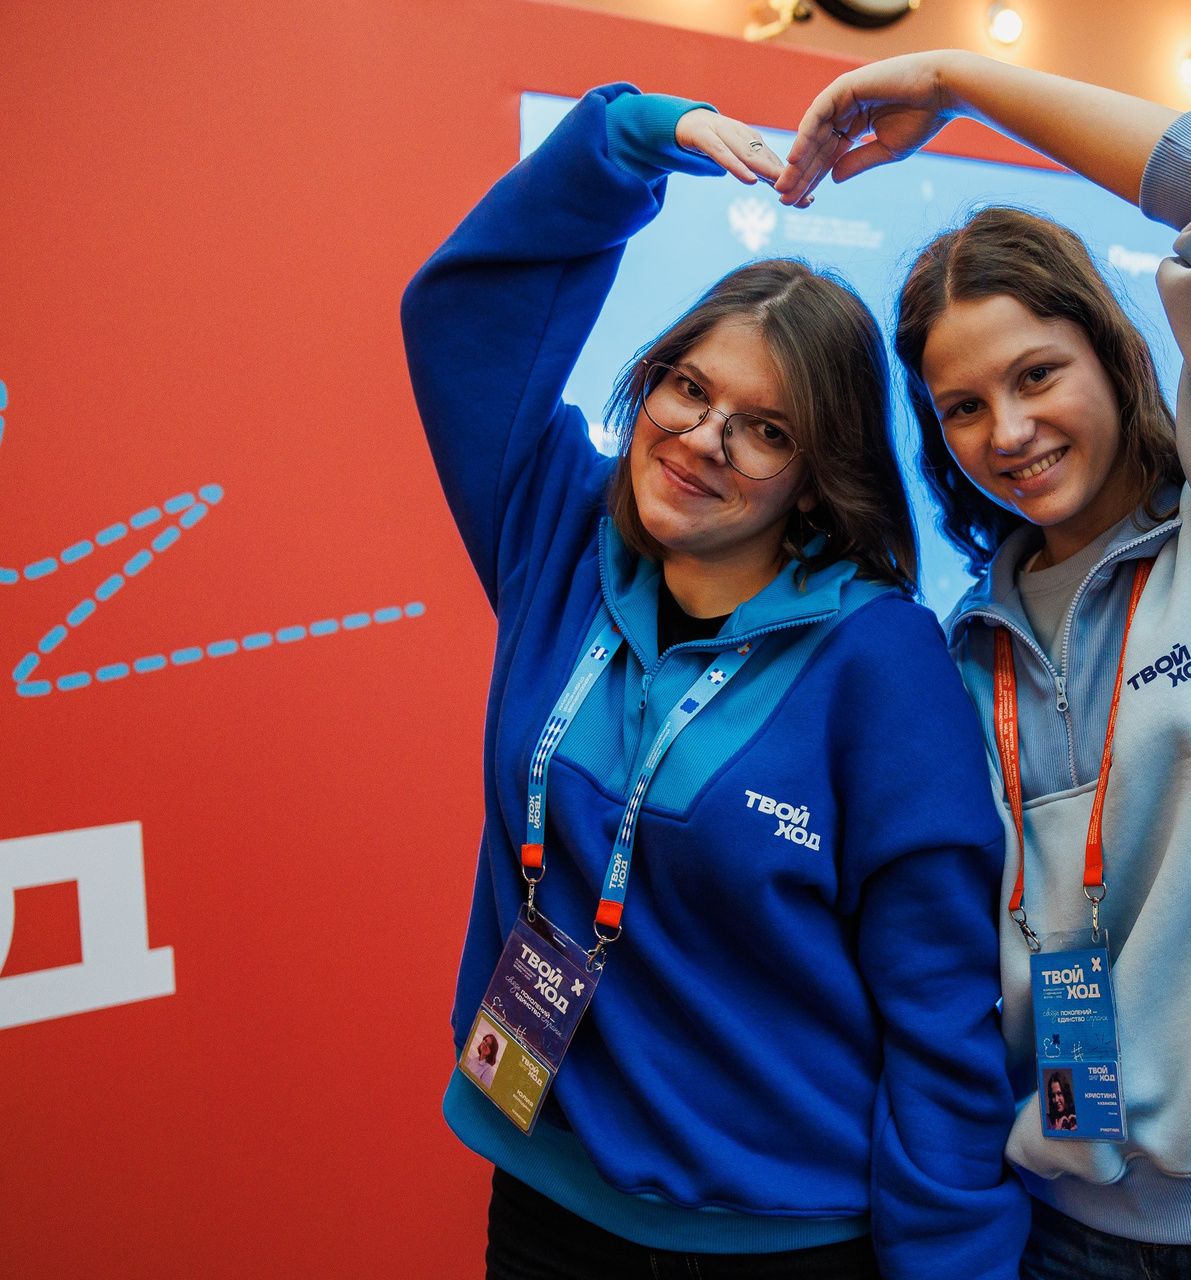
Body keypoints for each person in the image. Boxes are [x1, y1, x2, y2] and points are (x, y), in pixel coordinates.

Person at [780, 52, 1191, 1279]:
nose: (1008, 431)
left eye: (1036, 374)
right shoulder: (961, 650)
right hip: (1072, 1225)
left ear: (1111, 352)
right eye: (962, 405)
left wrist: (963, 81)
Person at [402, 82, 1027, 1280]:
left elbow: (940, 1009)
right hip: (543, 1191)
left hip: (774, 1240)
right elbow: (461, 314)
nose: (701, 440)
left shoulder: (879, 659)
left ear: (818, 473)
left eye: (766, 428)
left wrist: (953, 1261)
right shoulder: (563, 538)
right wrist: (634, 137)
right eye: (688, 387)